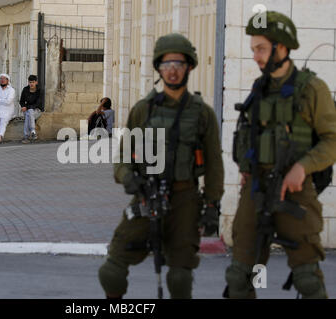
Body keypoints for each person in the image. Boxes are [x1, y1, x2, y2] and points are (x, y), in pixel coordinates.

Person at [97, 33, 224, 299]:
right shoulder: (143, 110)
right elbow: (122, 158)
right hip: (146, 195)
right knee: (112, 270)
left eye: (179, 64)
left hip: (185, 199)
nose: (173, 70)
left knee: (179, 278)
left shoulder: (202, 113)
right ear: (158, 68)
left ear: (189, 66)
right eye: (166, 65)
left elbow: (214, 165)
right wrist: (129, 178)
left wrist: (212, 206)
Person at [225, 11, 336, 299]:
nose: (255, 56)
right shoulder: (259, 89)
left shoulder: (312, 88)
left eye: (261, 48)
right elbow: (248, 135)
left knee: (307, 280)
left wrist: (303, 167)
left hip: (295, 191)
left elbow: (332, 140)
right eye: (252, 50)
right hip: (256, 190)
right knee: (239, 277)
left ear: (282, 47)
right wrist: (247, 167)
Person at [19, 75, 43, 144]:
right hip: (28, 110)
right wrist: (23, 106)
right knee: (28, 114)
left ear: (36, 82)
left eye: (33, 82)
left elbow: (38, 104)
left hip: (37, 110)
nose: (31, 84)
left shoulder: (39, 91)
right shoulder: (25, 89)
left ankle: (26, 136)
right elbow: (21, 101)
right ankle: (33, 132)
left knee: (29, 113)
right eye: (30, 82)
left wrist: (27, 107)